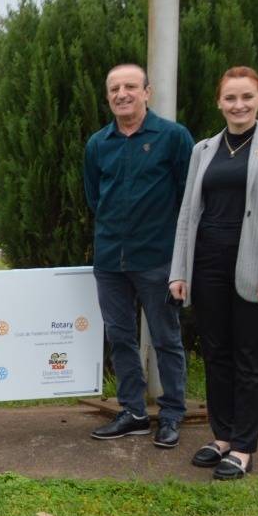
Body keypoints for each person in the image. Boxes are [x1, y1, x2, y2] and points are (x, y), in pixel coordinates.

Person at [169, 67, 258, 479]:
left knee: (250, 358)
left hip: (255, 267)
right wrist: (180, 270)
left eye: (247, 97)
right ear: (219, 102)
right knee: (216, 354)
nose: (238, 105)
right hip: (208, 264)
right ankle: (222, 436)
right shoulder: (203, 149)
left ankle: (244, 446)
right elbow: (189, 213)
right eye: (230, 98)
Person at [83, 62, 194, 448]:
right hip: (111, 259)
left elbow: (187, 198)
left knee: (166, 339)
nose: (122, 94)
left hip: (158, 259)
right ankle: (132, 413)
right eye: (114, 89)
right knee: (121, 337)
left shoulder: (174, 137)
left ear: (147, 92)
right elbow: (95, 197)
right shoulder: (98, 144)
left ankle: (172, 414)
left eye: (130, 86)